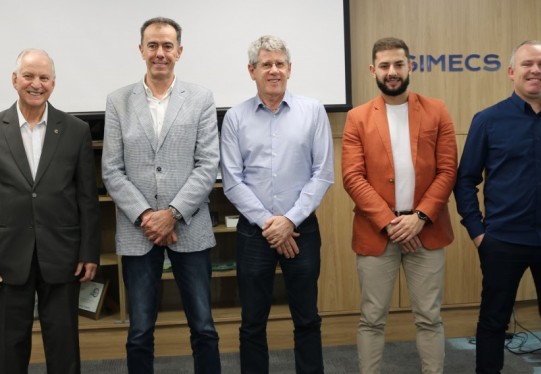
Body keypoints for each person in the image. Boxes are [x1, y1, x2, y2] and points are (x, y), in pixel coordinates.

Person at [102, 17, 221, 374]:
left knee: (203, 327)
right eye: (152, 45)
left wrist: (172, 213)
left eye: (167, 46)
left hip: (189, 226)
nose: (160, 53)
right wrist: (147, 216)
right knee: (139, 331)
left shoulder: (200, 98)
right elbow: (111, 169)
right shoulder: (118, 101)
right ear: (141, 50)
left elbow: (207, 163)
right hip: (138, 231)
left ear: (179, 52)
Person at [341, 37, 458, 373]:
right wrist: (393, 223)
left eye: (398, 64)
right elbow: (353, 178)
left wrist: (419, 217)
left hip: (427, 230)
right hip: (378, 233)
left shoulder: (437, 109)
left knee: (429, 317)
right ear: (372, 70)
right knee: (372, 318)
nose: (392, 72)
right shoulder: (357, 118)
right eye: (384, 66)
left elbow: (448, 170)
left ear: (411, 66)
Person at [220, 35, 334, 374]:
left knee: (307, 318)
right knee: (252, 322)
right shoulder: (235, 118)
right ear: (251, 71)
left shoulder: (312, 111)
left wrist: (290, 221)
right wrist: (271, 224)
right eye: (266, 64)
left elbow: (323, 173)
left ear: (289, 69)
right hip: (254, 235)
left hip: (302, 231)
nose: (274, 70)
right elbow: (232, 180)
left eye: (279, 64)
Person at [454, 40, 541, 374]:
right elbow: (465, 179)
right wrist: (478, 233)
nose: (535, 70)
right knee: (494, 321)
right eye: (527, 64)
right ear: (512, 72)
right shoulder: (488, 120)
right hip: (502, 242)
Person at [0, 48, 100, 374]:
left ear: (53, 84)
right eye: (29, 76)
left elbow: (87, 198)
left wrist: (89, 252)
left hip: (63, 255)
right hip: (8, 256)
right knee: (8, 345)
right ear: (15, 80)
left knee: (63, 342)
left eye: (44, 78)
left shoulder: (75, 130)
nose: (36, 84)